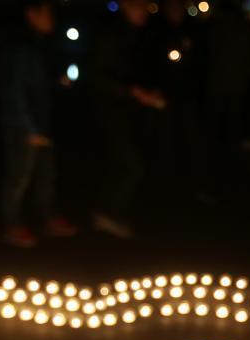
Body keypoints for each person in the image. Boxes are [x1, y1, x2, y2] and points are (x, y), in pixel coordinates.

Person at [0, 0, 78, 248]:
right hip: (23, 124)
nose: (51, 19)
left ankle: (48, 218)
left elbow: (37, 83)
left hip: (40, 122)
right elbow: (16, 90)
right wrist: (30, 128)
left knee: (46, 174)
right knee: (20, 176)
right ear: (32, 14)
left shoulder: (39, 44)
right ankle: (12, 225)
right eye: (47, 14)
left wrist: (57, 82)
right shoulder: (22, 46)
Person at [91, 0, 166, 239]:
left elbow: (142, 69)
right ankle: (107, 214)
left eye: (145, 6)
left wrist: (150, 91)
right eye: (137, 6)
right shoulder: (111, 35)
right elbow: (102, 77)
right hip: (113, 111)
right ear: (125, 6)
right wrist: (134, 92)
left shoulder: (143, 34)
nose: (143, 11)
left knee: (124, 162)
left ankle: (109, 213)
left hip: (131, 111)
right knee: (131, 164)